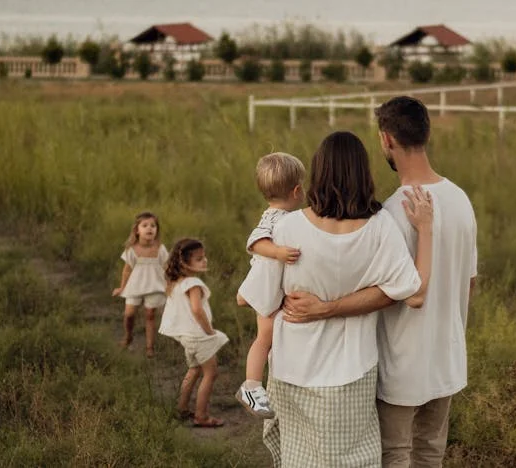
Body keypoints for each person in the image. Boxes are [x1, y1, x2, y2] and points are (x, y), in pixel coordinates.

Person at [283, 96, 478, 468]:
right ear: (426, 134)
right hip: (447, 358)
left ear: (386, 139)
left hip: (401, 364)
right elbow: (469, 282)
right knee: (430, 454)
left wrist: (327, 308)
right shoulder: (460, 200)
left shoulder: (391, 214)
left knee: (394, 454)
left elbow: (393, 294)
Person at [237, 131, 434, 468]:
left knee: (299, 459)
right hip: (352, 370)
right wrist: (426, 230)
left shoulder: (287, 229)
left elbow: (257, 300)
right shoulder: (381, 227)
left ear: (318, 172)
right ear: (363, 173)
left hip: (293, 367)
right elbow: (409, 291)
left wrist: (314, 305)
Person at [235, 152, 306, 419]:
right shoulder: (278, 219)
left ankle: (261, 384)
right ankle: (251, 386)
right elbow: (255, 242)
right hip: (266, 286)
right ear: (297, 191)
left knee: (269, 338)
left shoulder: (277, 215)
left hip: (270, 285)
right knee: (264, 338)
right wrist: (277, 252)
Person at [159, 238, 229, 427]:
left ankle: (181, 409)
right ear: (183, 262)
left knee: (195, 370)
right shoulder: (193, 283)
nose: (205, 261)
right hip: (199, 336)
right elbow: (197, 310)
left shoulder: (176, 282)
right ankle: (201, 416)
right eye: (199, 259)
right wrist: (209, 331)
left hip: (187, 337)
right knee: (211, 373)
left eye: (204, 257)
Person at [112, 211, 169, 358]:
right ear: (137, 230)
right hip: (134, 286)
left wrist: (171, 285)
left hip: (155, 286)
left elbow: (166, 268)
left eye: (153, 226)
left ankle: (149, 347)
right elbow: (127, 270)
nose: (149, 228)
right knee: (129, 314)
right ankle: (128, 336)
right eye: (145, 225)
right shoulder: (132, 250)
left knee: (150, 315)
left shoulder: (160, 249)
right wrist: (122, 287)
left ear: (157, 230)